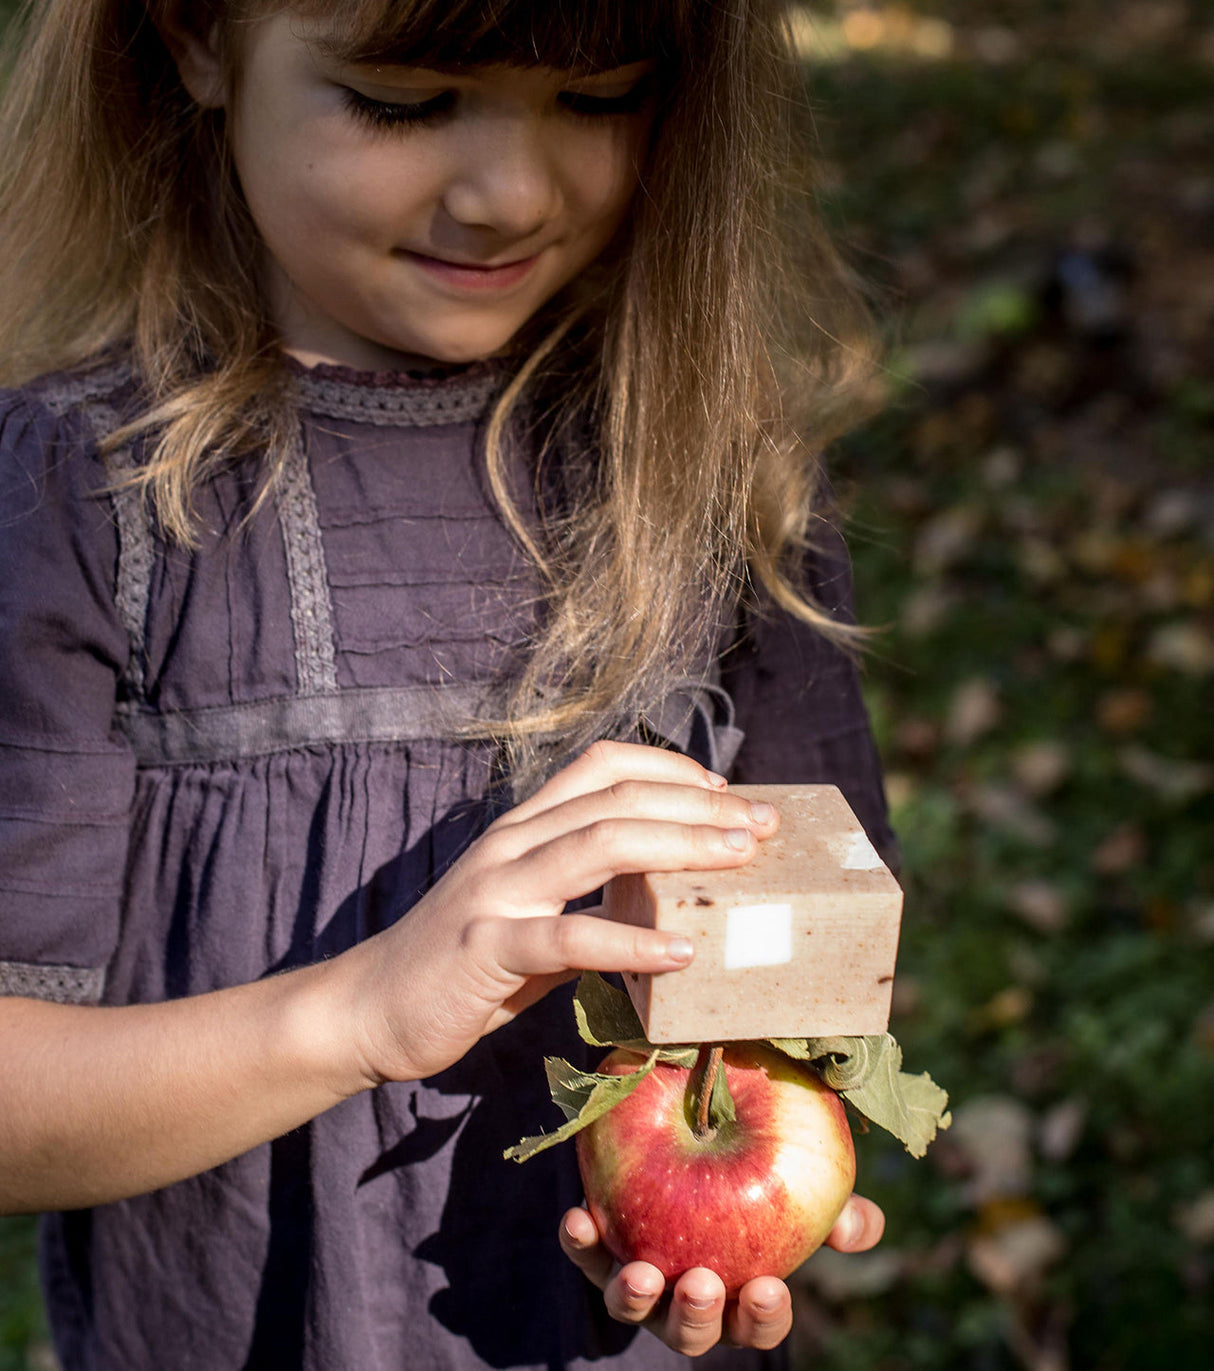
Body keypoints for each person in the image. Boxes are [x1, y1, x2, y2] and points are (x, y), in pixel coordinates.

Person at [0, 1, 894, 1367]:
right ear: (193, 38)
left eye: (597, 98)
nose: (511, 192)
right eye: (406, 101)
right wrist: (358, 1011)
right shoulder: (82, 497)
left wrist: (784, 1097)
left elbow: (828, 947)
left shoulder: (712, 474)